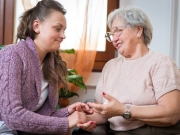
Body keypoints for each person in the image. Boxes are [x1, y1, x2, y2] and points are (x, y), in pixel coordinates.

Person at [76, 6, 180, 135]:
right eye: (111, 35)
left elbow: (171, 114)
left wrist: (123, 110)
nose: (114, 39)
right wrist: (86, 119)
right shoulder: (110, 66)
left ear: (138, 30)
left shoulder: (161, 62)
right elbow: (101, 112)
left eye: (118, 31)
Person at [0, 0, 94, 135]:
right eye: (57, 28)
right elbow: (12, 116)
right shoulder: (12, 55)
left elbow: (42, 116)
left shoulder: (52, 64)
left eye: (64, 30)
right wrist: (66, 122)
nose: (63, 36)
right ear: (36, 26)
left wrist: (67, 112)